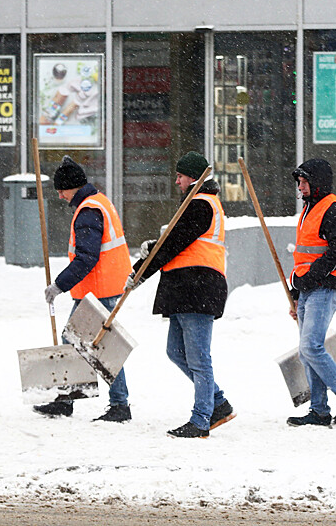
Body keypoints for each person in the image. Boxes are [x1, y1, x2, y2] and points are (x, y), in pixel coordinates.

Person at [129, 151, 234, 439]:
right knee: (175, 351)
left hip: (198, 287)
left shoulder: (200, 204)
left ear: (193, 178)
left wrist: (140, 272)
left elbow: (173, 244)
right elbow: (172, 242)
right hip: (184, 287)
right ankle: (219, 403)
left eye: (180, 176)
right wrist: (148, 255)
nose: (176, 181)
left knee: (199, 359)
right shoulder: (194, 203)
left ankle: (201, 420)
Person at [35, 156, 134, 422]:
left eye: (61, 189)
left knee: (97, 346)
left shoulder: (89, 211)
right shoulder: (97, 202)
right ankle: (72, 398)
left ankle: (118, 405)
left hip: (100, 288)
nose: (59, 195)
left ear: (73, 187)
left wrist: (59, 285)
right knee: (87, 342)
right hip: (101, 287)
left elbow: (86, 258)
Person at [286, 159, 336, 428]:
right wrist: (297, 292)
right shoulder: (309, 210)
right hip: (309, 289)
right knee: (308, 351)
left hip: (326, 286)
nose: (301, 187)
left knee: (311, 346)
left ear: (317, 182)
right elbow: (304, 257)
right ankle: (319, 410)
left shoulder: (333, 208)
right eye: (299, 182)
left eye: (304, 182)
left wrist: (311, 277)